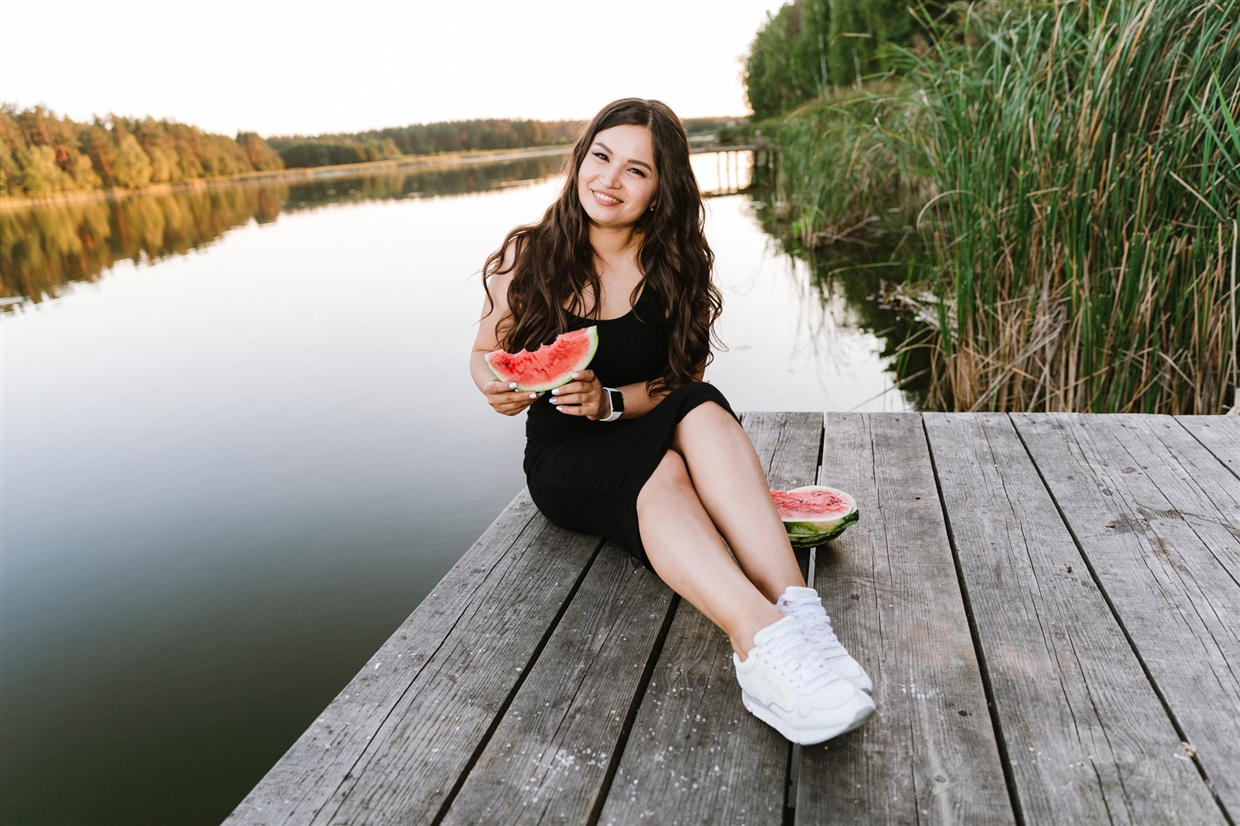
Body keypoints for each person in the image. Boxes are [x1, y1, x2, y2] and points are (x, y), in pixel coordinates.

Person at [469, 98, 874, 745]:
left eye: (636, 170)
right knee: (659, 470)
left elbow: (679, 381)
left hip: (636, 419)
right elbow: (487, 354)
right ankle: (759, 643)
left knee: (704, 403)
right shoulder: (529, 254)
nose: (609, 179)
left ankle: (802, 615)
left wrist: (611, 402)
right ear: (580, 160)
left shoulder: (672, 262)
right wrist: (497, 383)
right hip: (565, 457)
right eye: (601, 157)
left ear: (661, 190)